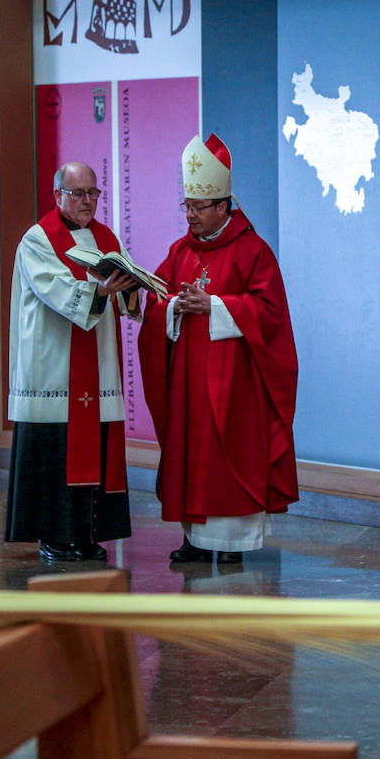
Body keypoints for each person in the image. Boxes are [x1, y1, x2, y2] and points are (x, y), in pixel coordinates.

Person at [139, 134, 299, 565]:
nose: (189, 215)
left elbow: (271, 314)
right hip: (190, 378)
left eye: (198, 207)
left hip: (236, 382)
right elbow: (156, 298)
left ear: (223, 207)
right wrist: (170, 306)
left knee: (229, 455)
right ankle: (194, 538)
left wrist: (215, 305)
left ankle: (231, 545)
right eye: (186, 206)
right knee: (190, 453)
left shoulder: (253, 251)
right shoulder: (180, 252)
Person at [5, 161, 138, 561]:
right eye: (78, 193)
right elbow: (54, 289)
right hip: (53, 367)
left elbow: (124, 287)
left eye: (93, 193)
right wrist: (99, 291)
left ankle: (86, 534)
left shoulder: (105, 238)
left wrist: (132, 285)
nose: (87, 201)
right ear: (57, 194)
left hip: (94, 364)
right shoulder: (38, 239)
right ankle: (54, 536)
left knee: (93, 448)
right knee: (54, 453)